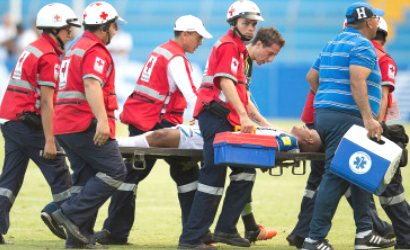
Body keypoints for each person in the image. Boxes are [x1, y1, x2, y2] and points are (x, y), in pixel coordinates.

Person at [95, 15, 212, 246]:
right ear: (185, 34)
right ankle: (197, 234)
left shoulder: (161, 51)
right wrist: (202, 121)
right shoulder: (177, 59)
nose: (200, 43)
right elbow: (190, 94)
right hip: (157, 124)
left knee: (130, 176)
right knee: (188, 176)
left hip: (143, 120)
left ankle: (114, 231)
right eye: (198, 38)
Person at [301, 3, 395, 250]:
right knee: (335, 174)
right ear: (369, 22)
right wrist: (367, 117)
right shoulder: (363, 45)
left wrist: (327, 99)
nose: (377, 22)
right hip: (348, 118)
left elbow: (312, 78)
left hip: (327, 114)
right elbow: (357, 79)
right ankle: (314, 238)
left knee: (360, 171)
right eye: (376, 19)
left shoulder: (332, 43)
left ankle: (364, 233)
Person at [178, 1, 265, 249]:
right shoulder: (228, 46)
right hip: (215, 118)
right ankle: (191, 239)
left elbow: (238, 90)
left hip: (221, 119)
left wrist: (253, 118)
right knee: (212, 179)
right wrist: (245, 117)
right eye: (246, 23)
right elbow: (226, 82)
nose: (250, 28)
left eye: (253, 24)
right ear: (233, 23)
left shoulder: (237, 49)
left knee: (243, 171)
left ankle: (225, 229)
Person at [0, 3, 81, 245]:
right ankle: (72, 225)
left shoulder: (34, 47)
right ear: (56, 29)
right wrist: (50, 140)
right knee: (59, 171)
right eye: (68, 30)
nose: (71, 34)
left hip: (10, 120)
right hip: (27, 123)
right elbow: (46, 102)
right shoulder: (48, 56)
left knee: (9, 180)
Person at [49, 2, 127, 249]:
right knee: (116, 171)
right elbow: (92, 84)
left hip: (65, 125)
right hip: (82, 123)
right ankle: (69, 213)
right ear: (104, 27)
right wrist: (103, 121)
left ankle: (79, 240)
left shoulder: (75, 48)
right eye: (114, 26)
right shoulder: (95, 50)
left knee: (86, 177)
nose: (115, 31)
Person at [117, 125, 322, 154]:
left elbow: (269, 145)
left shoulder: (291, 141)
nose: (306, 127)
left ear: (309, 141)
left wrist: (232, 140)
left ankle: (115, 144)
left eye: (309, 132)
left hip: (222, 139)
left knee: (159, 137)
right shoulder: (283, 132)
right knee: (159, 135)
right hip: (222, 131)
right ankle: (116, 143)